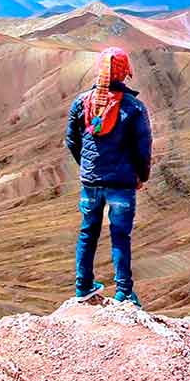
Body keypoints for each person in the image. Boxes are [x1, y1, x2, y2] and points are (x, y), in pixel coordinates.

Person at [64, 47, 152, 308]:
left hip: (91, 183)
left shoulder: (81, 102)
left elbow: (71, 140)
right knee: (120, 236)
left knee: (87, 232)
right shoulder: (134, 107)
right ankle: (124, 291)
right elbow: (143, 147)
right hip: (122, 185)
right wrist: (141, 176)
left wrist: (87, 166)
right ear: (124, 73)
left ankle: (83, 286)